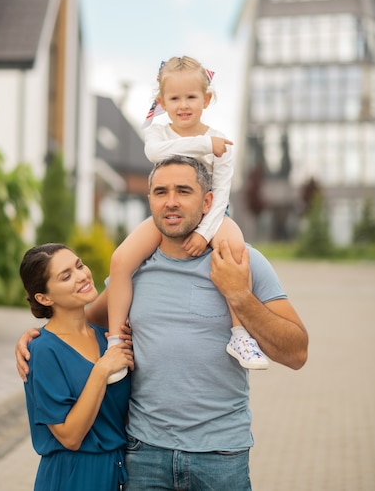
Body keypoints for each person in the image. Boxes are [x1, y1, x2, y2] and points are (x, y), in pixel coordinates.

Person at [17, 156, 308, 491]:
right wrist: (35, 339)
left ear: (208, 201)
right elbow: (79, 323)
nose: (171, 201)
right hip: (144, 455)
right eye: (161, 192)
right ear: (150, 200)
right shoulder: (133, 270)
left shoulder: (242, 260)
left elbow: (296, 353)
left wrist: (239, 295)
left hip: (221, 456)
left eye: (184, 191)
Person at [107, 56, 268, 385]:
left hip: (212, 214)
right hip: (169, 215)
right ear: (162, 101)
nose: (183, 105)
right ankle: (114, 344)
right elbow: (156, 154)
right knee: (121, 259)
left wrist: (207, 231)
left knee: (235, 249)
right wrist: (206, 145)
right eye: (174, 98)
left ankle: (240, 335)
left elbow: (222, 191)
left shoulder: (222, 141)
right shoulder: (159, 132)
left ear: (206, 100)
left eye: (191, 97)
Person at [20, 243, 134, 491]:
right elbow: (70, 436)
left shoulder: (109, 338)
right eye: (66, 276)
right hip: (70, 476)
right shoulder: (42, 351)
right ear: (44, 297)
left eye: (79, 265)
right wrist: (102, 370)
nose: (82, 275)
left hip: (116, 472)